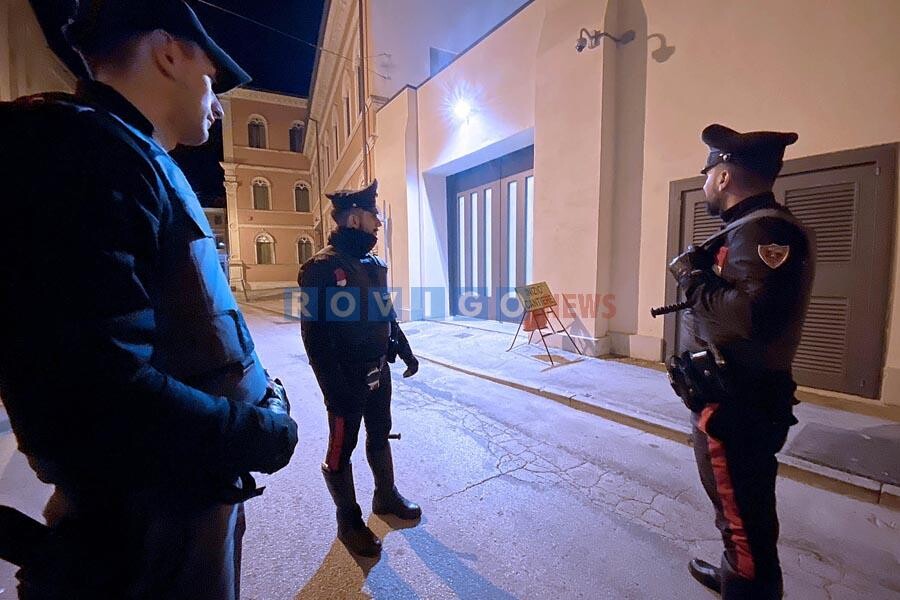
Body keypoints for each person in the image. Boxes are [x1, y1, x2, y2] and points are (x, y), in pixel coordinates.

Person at [0, 1, 299, 598]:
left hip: (178, 510)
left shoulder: (127, 152)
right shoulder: (86, 155)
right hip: (145, 533)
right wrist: (258, 432)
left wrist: (261, 393)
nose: (218, 104)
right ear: (167, 53)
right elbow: (97, 389)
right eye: (211, 79)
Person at [667, 124, 815, 599]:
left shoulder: (765, 231)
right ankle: (740, 572)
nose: (705, 182)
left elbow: (754, 317)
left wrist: (693, 280)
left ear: (724, 176)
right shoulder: (750, 228)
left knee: (740, 511)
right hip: (736, 396)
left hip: (736, 404)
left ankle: (749, 586)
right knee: (742, 508)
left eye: (707, 173)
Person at [298, 180, 421, 557]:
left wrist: (404, 348)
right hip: (344, 378)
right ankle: (348, 521)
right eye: (374, 215)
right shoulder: (321, 268)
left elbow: (386, 313)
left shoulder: (375, 265)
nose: (379, 222)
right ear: (354, 218)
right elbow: (314, 336)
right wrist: (332, 388)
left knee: (379, 433)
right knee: (342, 447)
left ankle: (385, 496)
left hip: (378, 370)